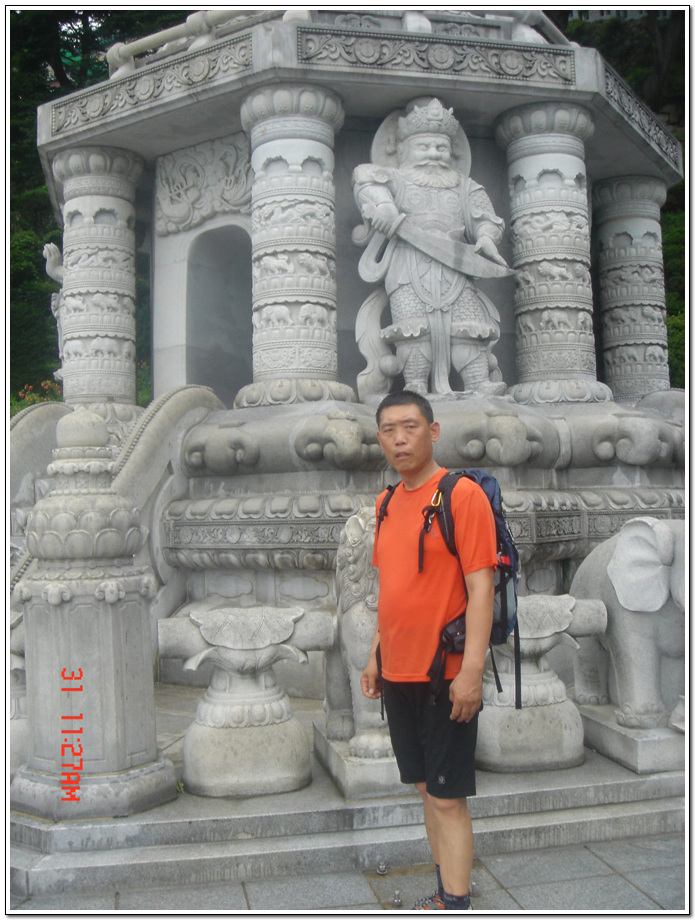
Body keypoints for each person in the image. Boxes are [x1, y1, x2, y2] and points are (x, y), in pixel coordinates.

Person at [361, 390, 497, 911]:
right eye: (389, 430)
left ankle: (455, 902)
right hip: (398, 673)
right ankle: (444, 891)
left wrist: (472, 671)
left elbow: (481, 587)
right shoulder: (386, 503)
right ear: (379, 438)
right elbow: (393, 588)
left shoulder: (462, 496)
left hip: (446, 675)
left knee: (446, 798)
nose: (399, 439)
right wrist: (376, 654)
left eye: (410, 427)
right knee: (424, 788)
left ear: (433, 432)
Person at [353, 97, 510, 397]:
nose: (433, 154)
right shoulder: (395, 179)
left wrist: (487, 237)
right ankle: (415, 384)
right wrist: (384, 206)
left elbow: (486, 219)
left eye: (441, 147)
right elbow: (364, 178)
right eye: (423, 147)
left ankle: (478, 382)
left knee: (468, 327)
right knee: (413, 328)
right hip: (407, 266)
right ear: (402, 149)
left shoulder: (466, 187)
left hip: (456, 265)